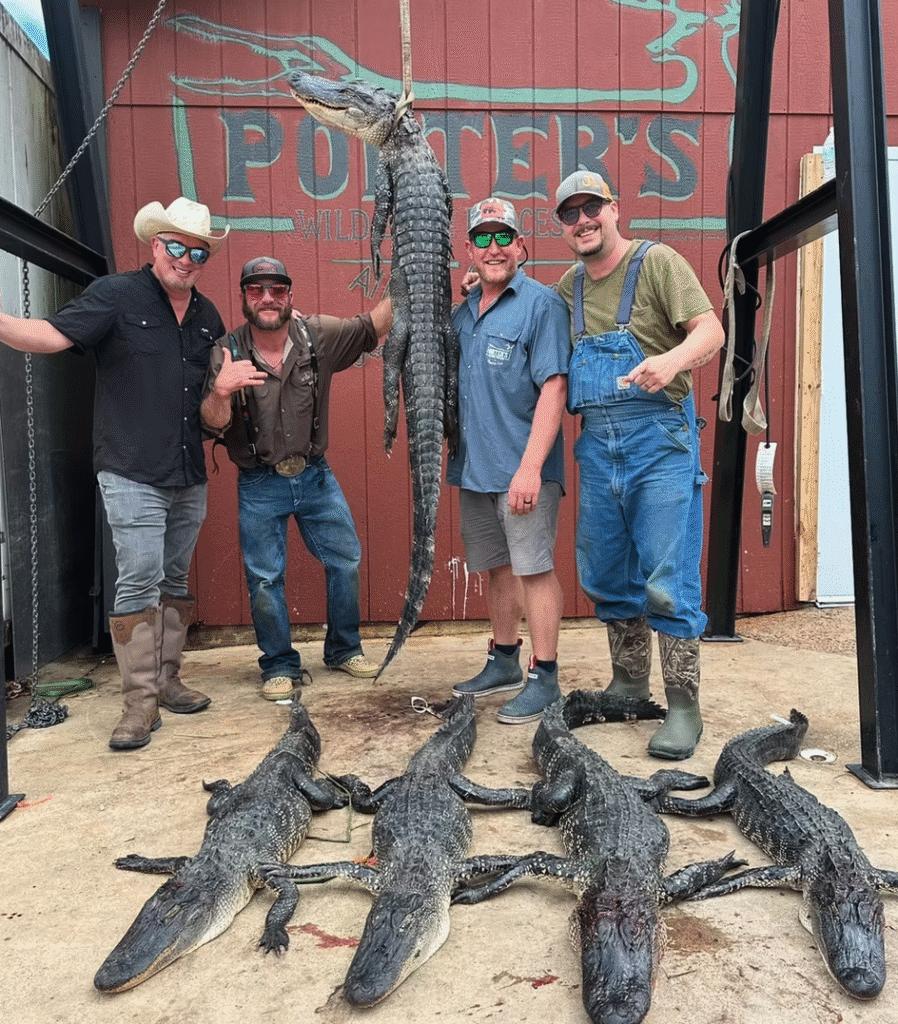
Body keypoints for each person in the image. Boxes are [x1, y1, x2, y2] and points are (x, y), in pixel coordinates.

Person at [0, 197, 255, 751]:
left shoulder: (209, 319)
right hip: (130, 471)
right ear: (155, 244)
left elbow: (214, 417)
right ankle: (139, 704)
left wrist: (221, 391)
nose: (185, 259)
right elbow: (49, 335)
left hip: (187, 471)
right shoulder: (115, 296)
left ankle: (166, 681)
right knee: (138, 579)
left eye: (198, 252)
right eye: (176, 246)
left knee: (174, 578)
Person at [555, 170, 725, 760]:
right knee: (607, 572)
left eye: (592, 208)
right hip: (598, 447)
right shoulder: (568, 288)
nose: (583, 221)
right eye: (570, 214)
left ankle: (683, 707)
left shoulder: (657, 263)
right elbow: (526, 311)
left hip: (660, 445)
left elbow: (711, 331)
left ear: (614, 208)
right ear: (562, 226)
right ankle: (629, 684)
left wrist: (672, 361)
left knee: (667, 580)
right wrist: (484, 280)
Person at [200, 257, 392, 701]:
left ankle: (344, 650)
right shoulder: (225, 352)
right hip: (258, 482)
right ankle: (279, 664)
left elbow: (373, 325)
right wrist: (222, 389)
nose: (268, 298)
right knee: (265, 579)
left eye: (277, 290)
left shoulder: (316, 336)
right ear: (244, 297)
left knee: (345, 559)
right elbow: (211, 423)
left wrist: (411, 270)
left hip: (314, 476)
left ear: (290, 296)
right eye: (256, 290)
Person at [448, 198, 570, 724]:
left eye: (504, 237)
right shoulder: (463, 314)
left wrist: (531, 468)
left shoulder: (541, 306)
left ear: (521, 245)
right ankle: (503, 660)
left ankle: (546, 677)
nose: (494, 248)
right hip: (475, 470)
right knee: (497, 568)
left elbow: (555, 387)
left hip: (524, 471)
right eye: (483, 238)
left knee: (533, 569)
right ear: (469, 250)